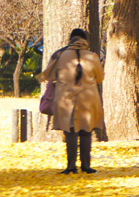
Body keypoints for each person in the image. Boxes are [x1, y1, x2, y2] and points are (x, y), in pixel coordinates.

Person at [37, 29, 106, 174]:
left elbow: (47, 75)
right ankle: (86, 166)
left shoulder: (60, 55)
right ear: (85, 40)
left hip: (67, 98)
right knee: (86, 131)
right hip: (88, 98)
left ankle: (71, 166)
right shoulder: (93, 56)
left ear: (71, 39)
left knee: (71, 132)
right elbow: (99, 78)